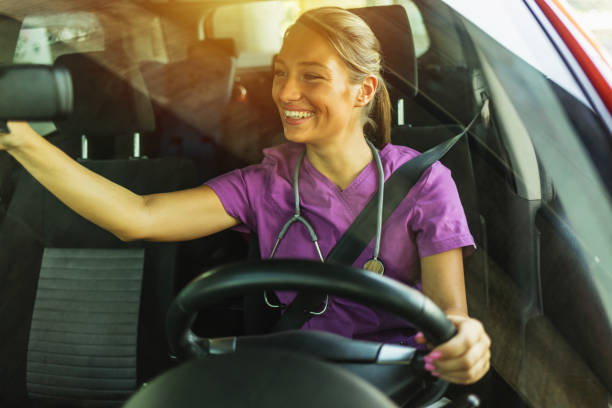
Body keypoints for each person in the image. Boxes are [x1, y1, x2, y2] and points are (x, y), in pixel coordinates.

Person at [0, 7, 490, 385]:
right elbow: (138, 217)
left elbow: (451, 316)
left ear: (363, 92)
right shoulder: (264, 183)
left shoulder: (425, 182)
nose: (286, 92)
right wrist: (19, 140)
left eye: (311, 76)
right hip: (296, 381)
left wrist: (465, 346)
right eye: (281, 72)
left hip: (394, 383)